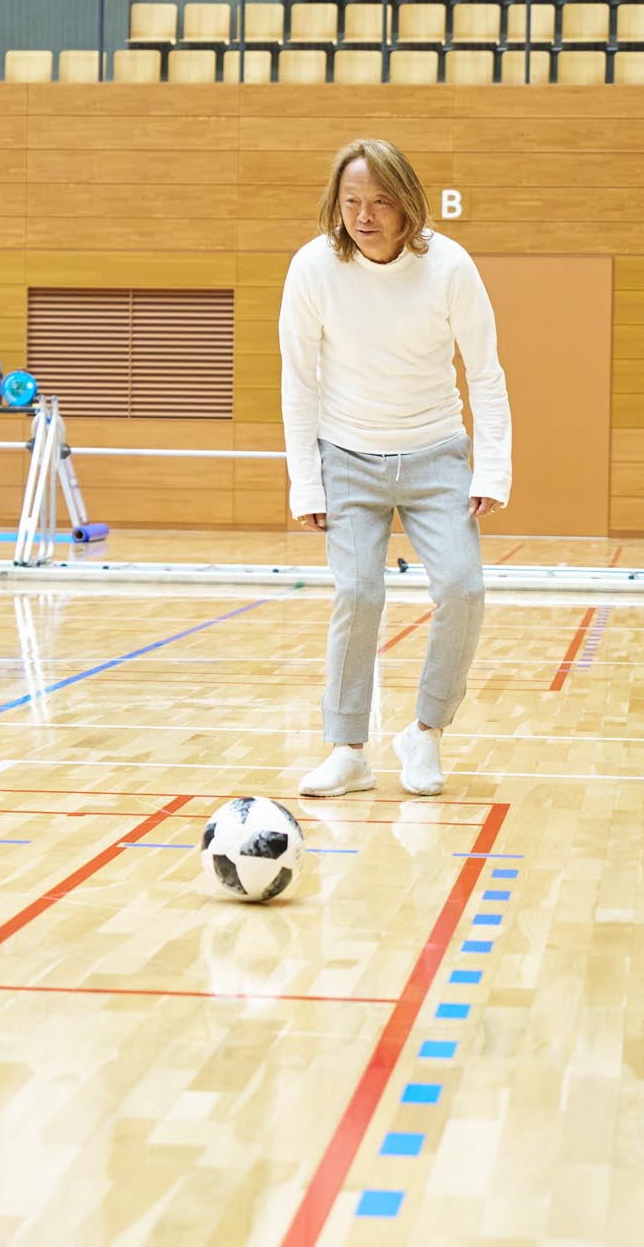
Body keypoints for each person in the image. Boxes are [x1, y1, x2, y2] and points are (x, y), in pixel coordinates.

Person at [278, 138, 512, 798]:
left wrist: (492, 469)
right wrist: (306, 478)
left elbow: (486, 373)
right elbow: (298, 381)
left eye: (380, 200)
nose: (364, 215)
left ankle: (425, 732)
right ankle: (347, 747)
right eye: (351, 201)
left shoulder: (450, 266)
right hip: (346, 455)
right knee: (358, 593)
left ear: (408, 202)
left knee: (463, 586)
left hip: (436, 452)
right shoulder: (313, 268)